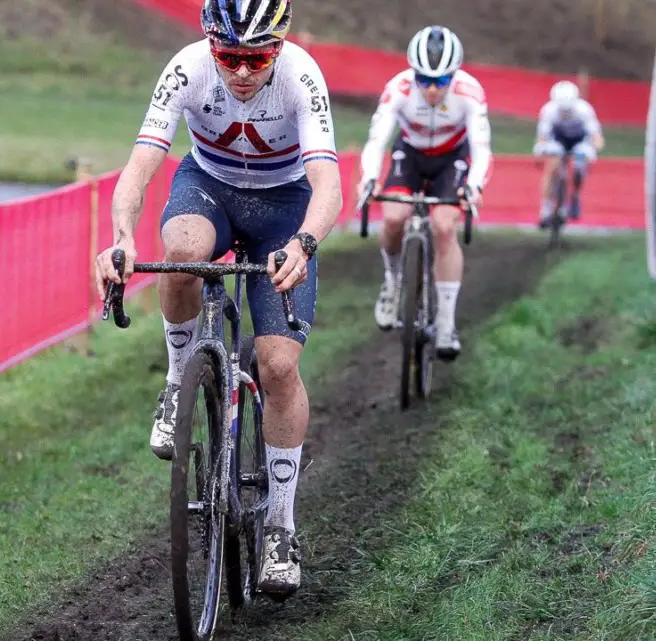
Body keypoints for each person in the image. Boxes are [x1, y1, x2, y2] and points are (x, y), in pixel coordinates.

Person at [92, 0, 342, 597]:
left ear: (278, 47)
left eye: (256, 58)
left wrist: (304, 244)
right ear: (210, 44)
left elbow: (329, 181)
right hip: (207, 187)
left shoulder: (303, 76)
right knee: (179, 253)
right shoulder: (187, 67)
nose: (241, 72)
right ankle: (180, 380)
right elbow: (140, 166)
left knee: (279, 365)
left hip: (285, 206)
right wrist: (122, 238)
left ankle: (280, 525)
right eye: (228, 56)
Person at [356, 25, 492, 360]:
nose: (432, 89)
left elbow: (483, 148)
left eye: (441, 81)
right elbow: (377, 141)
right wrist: (370, 178)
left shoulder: (470, 92)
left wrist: (474, 187)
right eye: (424, 80)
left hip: (452, 159)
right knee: (393, 216)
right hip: (411, 155)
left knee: (444, 226)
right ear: (413, 74)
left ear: (453, 76)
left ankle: (446, 321)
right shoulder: (398, 89)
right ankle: (392, 281)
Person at [532, 80, 605, 227]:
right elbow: (542, 137)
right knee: (552, 165)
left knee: (579, 165)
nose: (565, 113)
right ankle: (545, 209)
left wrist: (592, 151)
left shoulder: (584, 110)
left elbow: (596, 138)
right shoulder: (549, 111)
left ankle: (575, 195)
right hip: (558, 141)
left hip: (580, 141)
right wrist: (540, 153)